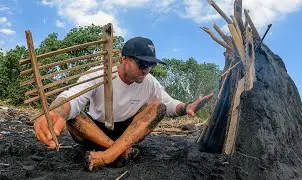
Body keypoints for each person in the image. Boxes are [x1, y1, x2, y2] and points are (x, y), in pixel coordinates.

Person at [33, 37, 214, 170]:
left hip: (127, 131)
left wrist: (186, 107)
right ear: (124, 59)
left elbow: (168, 103)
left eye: (151, 65)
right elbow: (73, 97)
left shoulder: (149, 81)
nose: (146, 70)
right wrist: (57, 111)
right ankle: (119, 150)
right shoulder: (99, 73)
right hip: (93, 131)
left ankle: (108, 155)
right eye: (142, 64)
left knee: (158, 107)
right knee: (74, 115)